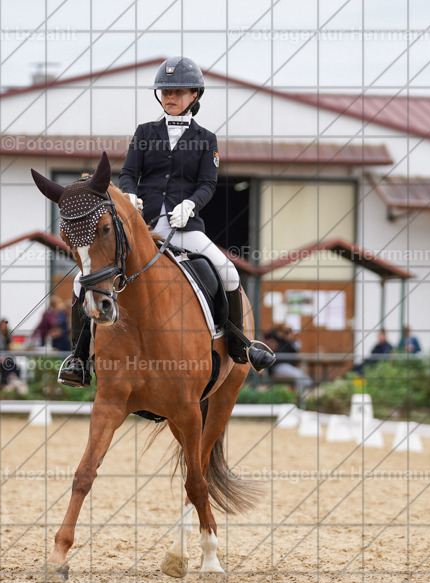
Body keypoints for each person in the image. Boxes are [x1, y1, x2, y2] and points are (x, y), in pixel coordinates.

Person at [56, 56, 275, 387]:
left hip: (185, 228)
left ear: (194, 96)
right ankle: (79, 357)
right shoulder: (145, 132)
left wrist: (191, 204)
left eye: (177, 92)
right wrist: (129, 196)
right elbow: (129, 173)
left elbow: (208, 184)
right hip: (142, 228)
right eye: (165, 92)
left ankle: (237, 343)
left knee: (228, 272)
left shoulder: (206, 139)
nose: (170, 98)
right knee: (79, 282)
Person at [265, 325, 312, 396]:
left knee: (305, 379)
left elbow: (296, 348)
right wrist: (280, 329)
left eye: (289, 333)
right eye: (285, 332)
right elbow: (267, 335)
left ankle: (298, 397)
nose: (287, 334)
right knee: (301, 377)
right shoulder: (277, 339)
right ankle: (298, 398)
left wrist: (290, 339)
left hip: (289, 367)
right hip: (279, 366)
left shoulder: (291, 343)